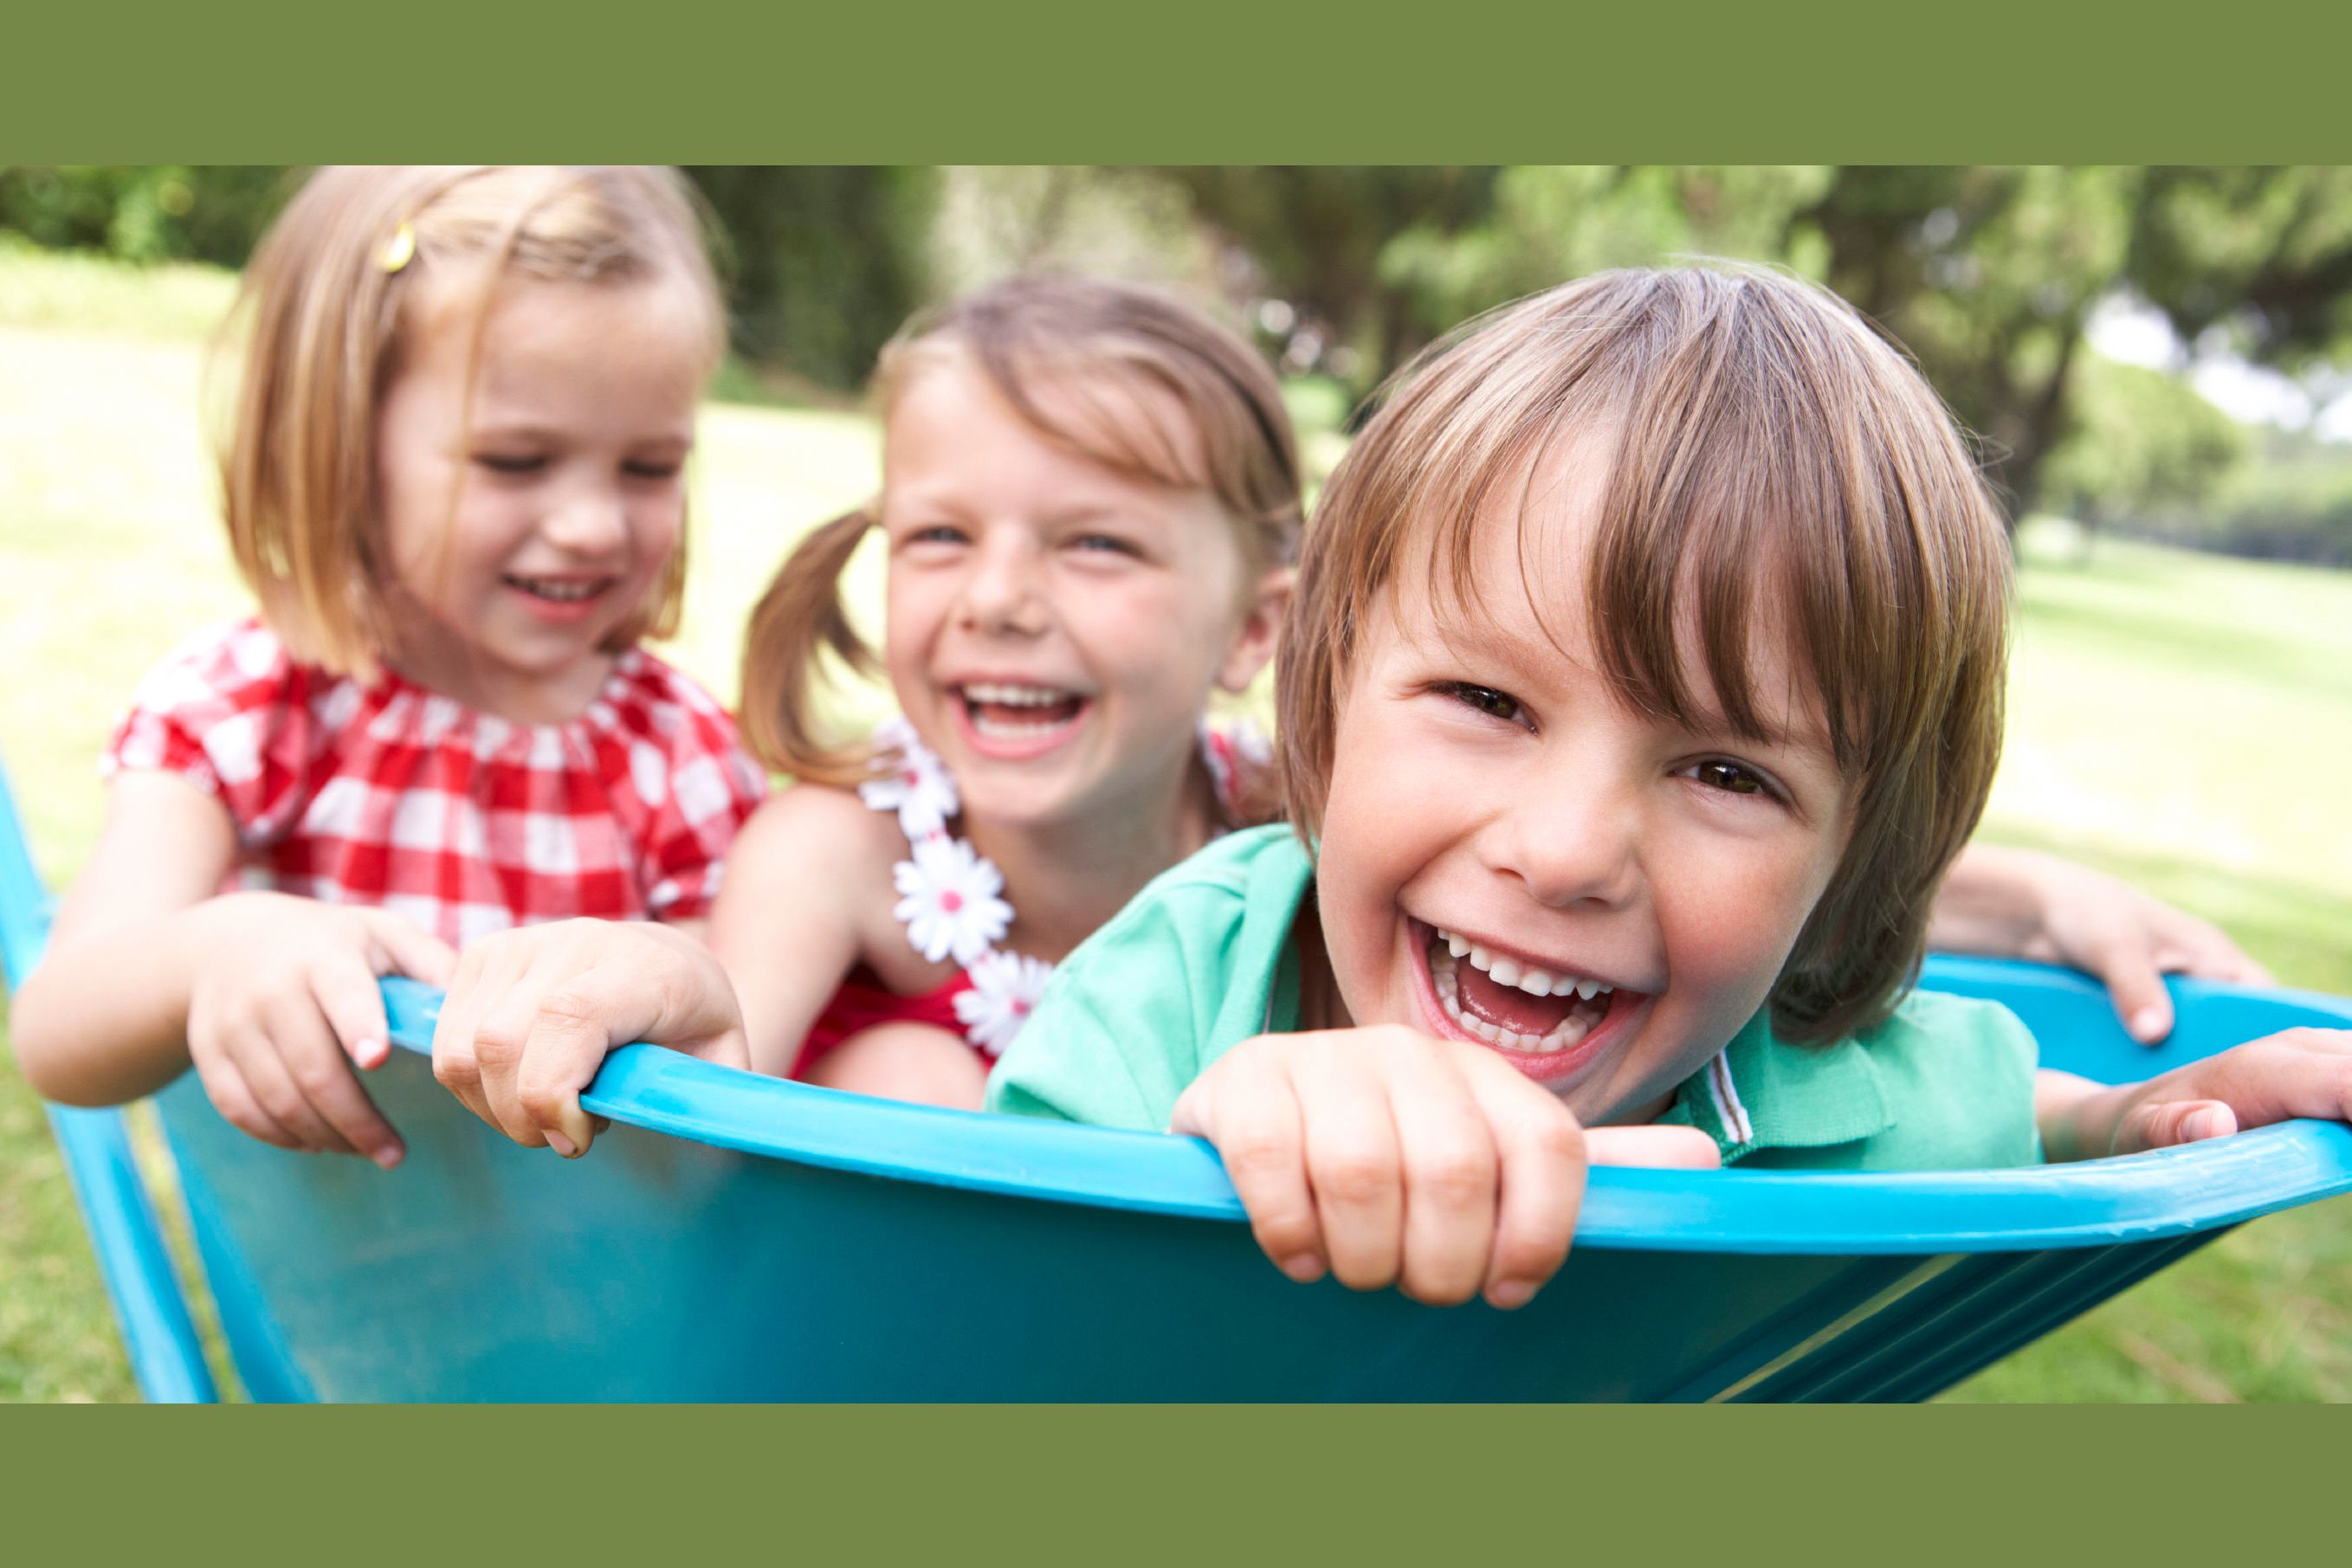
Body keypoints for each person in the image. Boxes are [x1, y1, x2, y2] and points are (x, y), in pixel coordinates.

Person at [980, 265, 2352, 1310]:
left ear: (1847, 873)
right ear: (1332, 694)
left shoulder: (1818, 1082)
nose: (1568, 849)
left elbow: (1993, 1102)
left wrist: (2134, 1119)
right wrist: (1228, 1138)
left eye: (1724, 770)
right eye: (1486, 701)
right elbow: (964, 1292)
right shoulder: (1182, 980)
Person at [10, 165, 767, 1169]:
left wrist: (676, 971)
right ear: (341, 445)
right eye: (513, 460)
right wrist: (218, 945)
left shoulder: (678, 752)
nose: (592, 525)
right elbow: (60, 1031)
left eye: (649, 467)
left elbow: (760, 1061)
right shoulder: (249, 706)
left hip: (600, 1283)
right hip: (337, 1274)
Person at [429, 274, 1299, 1132]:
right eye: (940, 536)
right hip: (850, 1262)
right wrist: (660, 975)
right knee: (911, 1074)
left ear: (1251, 628)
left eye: (1097, 543)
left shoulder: (1299, 856)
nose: (993, 598)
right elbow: (704, 1089)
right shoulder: (836, 849)